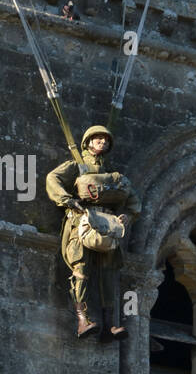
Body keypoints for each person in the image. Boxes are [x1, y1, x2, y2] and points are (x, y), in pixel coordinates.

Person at [46, 125, 141, 339]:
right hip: (83, 224)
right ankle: (83, 320)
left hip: (107, 226)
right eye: (98, 138)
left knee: (108, 272)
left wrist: (128, 215)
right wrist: (67, 200)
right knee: (81, 268)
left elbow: (133, 200)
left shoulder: (113, 175)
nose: (102, 142)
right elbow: (53, 178)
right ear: (88, 142)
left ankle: (109, 325)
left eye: (106, 140)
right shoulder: (77, 166)